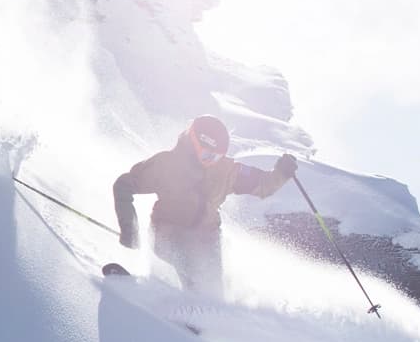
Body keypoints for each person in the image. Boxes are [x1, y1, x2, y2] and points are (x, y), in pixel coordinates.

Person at [112, 115, 298, 297]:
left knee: (209, 288)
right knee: (173, 271)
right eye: (207, 155)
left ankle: (206, 316)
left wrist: (281, 172)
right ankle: (157, 295)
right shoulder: (165, 164)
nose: (211, 162)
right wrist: (129, 228)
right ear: (192, 142)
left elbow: (263, 184)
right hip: (167, 232)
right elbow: (123, 186)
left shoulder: (227, 171)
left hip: (207, 239)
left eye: (217, 157)